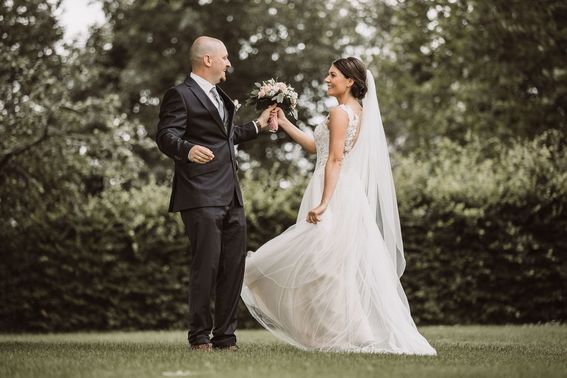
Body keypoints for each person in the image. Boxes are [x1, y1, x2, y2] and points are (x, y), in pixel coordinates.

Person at [241, 57, 437, 355]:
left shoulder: (341, 113)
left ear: (351, 82)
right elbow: (316, 148)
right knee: (327, 263)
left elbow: (335, 159)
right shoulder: (355, 112)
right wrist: (283, 123)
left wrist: (324, 203)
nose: (326, 79)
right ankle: (345, 332)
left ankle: (350, 333)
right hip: (339, 188)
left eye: (332, 75)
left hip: (333, 190)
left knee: (321, 262)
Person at [156, 36, 274, 351]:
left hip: (231, 195)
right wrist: (187, 148)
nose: (228, 63)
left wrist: (259, 127)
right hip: (199, 194)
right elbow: (166, 135)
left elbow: (227, 136)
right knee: (205, 266)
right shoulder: (179, 95)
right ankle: (199, 338)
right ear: (208, 59)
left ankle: (225, 338)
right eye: (224, 57)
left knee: (233, 268)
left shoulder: (222, 97)